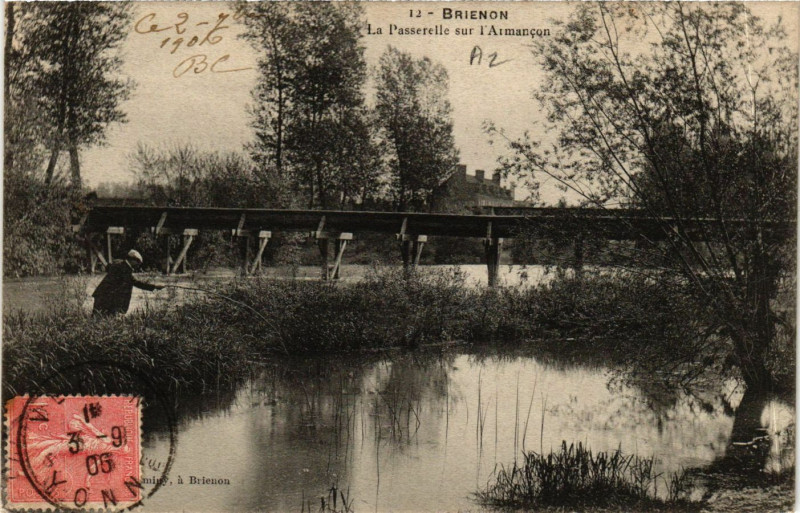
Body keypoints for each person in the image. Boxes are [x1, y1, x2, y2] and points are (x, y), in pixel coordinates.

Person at [92, 250, 164, 316]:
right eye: (138, 262)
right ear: (132, 260)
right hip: (106, 299)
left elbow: (109, 267)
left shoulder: (118, 263)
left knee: (98, 319)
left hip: (103, 295)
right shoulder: (125, 268)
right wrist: (155, 286)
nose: (138, 265)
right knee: (102, 319)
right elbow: (136, 282)